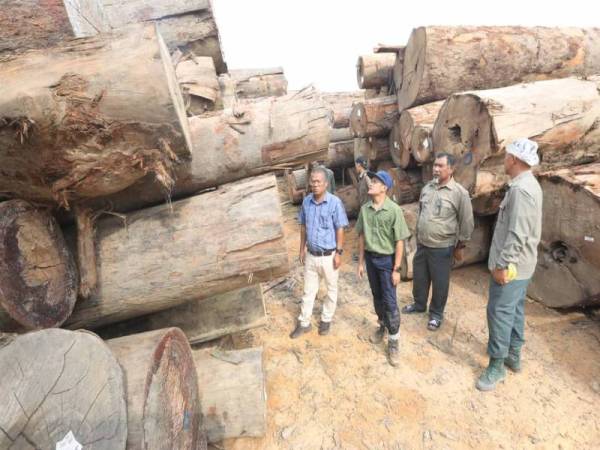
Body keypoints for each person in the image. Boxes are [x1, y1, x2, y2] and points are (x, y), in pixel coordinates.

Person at [476, 139, 543, 391]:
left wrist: (503, 264)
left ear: (514, 160)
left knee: (499, 312)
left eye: (506, 156)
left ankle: (496, 366)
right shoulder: (525, 185)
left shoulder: (521, 190)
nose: (504, 160)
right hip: (522, 264)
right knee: (514, 310)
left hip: (513, 265)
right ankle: (513, 355)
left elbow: (517, 234)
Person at [402, 152, 474, 331]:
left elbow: (467, 222)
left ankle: (436, 314)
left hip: (442, 247)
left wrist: (461, 245)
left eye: (440, 166)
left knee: (440, 282)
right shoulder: (427, 188)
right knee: (420, 277)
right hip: (423, 244)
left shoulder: (459, 193)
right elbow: (422, 212)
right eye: (435, 165)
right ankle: (419, 305)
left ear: (451, 169)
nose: (435, 169)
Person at [356, 170, 410, 366]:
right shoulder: (365, 209)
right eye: (372, 180)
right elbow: (361, 237)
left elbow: (399, 241)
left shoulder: (394, 210)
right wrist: (361, 262)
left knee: (390, 301)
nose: (371, 183)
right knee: (377, 296)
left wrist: (396, 269)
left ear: (384, 188)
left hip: (387, 262)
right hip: (371, 260)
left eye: (376, 181)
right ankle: (382, 326)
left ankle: (394, 341)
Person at [290, 167, 349, 338]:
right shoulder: (306, 202)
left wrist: (338, 252)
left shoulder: (334, 202)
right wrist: (302, 249)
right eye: (312, 181)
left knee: (331, 290)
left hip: (329, 256)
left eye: (318, 182)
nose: (315, 185)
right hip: (311, 255)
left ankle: (326, 320)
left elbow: (340, 229)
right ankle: (304, 322)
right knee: (308, 291)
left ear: (325, 184)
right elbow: (303, 227)